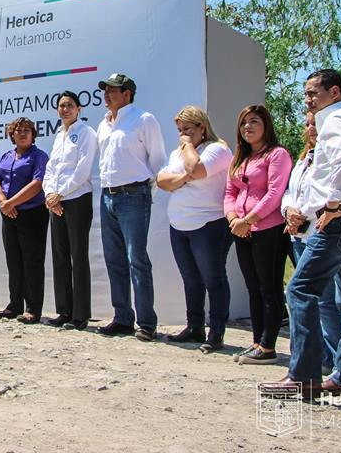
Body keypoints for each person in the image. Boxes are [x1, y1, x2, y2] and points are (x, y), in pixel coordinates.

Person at [264, 69, 341, 398]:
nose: (307, 100)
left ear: (334, 91)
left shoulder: (335, 119)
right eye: (306, 94)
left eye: (313, 93)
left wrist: (332, 204)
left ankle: (303, 376)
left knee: (300, 291)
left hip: (339, 221)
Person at [156, 106, 234, 353]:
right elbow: (162, 181)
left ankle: (217, 332)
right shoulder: (177, 154)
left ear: (202, 126)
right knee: (191, 278)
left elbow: (198, 169)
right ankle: (195, 326)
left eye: (187, 129)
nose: (182, 135)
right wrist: (184, 178)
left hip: (208, 224)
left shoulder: (218, 149)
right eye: (180, 130)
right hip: (179, 224)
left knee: (214, 278)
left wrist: (188, 149)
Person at [96, 73, 165, 341]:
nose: (107, 94)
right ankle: (122, 317)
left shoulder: (143, 119)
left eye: (113, 90)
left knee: (137, 259)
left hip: (134, 195)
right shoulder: (104, 124)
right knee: (114, 260)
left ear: (127, 94)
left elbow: (158, 161)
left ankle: (146, 322)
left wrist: (147, 195)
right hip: (107, 195)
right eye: (106, 90)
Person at [223, 104, 292, 365]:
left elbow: (274, 195)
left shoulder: (277, 155)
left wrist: (249, 220)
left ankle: (269, 346)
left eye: (253, 122)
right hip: (241, 230)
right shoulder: (240, 158)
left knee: (270, 288)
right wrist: (233, 219)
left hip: (268, 230)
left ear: (266, 125)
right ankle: (256, 343)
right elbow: (229, 193)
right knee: (253, 288)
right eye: (243, 123)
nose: (247, 127)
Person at [281, 111, 341, 376]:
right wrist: (289, 211)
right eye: (307, 124)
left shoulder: (332, 158)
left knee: (325, 301)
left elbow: (328, 195)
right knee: (309, 299)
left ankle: (335, 359)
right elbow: (290, 192)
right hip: (298, 234)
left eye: (316, 123)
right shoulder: (303, 159)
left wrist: (303, 213)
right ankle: (320, 355)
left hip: (320, 232)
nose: (311, 128)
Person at [41, 92, 96, 330]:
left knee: (78, 256)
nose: (65, 109)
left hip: (77, 198)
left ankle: (80, 315)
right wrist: (50, 194)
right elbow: (51, 168)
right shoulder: (58, 136)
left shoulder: (86, 133)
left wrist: (60, 193)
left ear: (79, 109)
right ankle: (64, 310)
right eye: (61, 106)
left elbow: (82, 170)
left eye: (69, 105)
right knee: (60, 256)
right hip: (57, 201)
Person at [0, 116, 48, 324]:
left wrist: (11, 202)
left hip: (33, 214)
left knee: (31, 262)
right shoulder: (6, 156)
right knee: (13, 261)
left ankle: (33, 309)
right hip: (9, 214)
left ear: (33, 134)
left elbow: (38, 183)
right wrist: (4, 202)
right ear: (12, 134)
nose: (22, 133)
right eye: (18, 130)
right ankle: (14, 305)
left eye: (27, 130)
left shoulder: (39, 156)